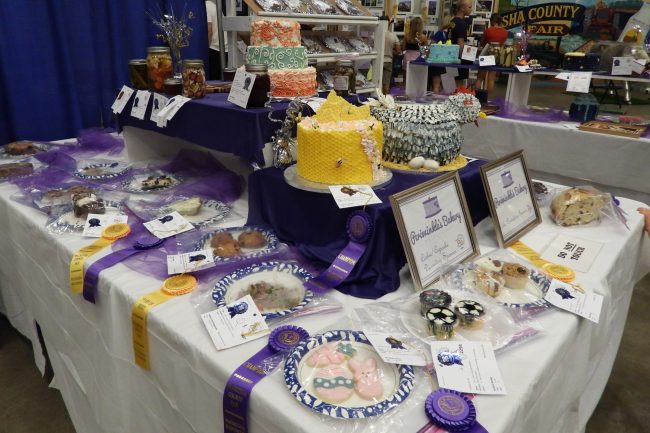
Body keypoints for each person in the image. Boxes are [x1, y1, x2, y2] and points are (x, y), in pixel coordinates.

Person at [475, 14, 508, 93]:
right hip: (497, 56)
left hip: (486, 55)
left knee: (480, 78)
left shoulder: (488, 30)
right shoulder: (505, 32)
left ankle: (475, 98)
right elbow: (502, 44)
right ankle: (488, 99)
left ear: (492, 21)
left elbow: (482, 43)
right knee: (491, 79)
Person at [450, 0, 473, 87]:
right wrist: (465, 60)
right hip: (458, 59)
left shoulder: (452, 21)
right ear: (462, 8)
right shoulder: (462, 24)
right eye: (469, 7)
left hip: (450, 57)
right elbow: (461, 44)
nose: (471, 9)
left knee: (451, 85)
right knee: (459, 86)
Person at [402, 16, 428, 84]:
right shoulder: (423, 38)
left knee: (406, 78)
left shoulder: (406, 36)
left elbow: (403, 48)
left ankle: (405, 92)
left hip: (407, 58)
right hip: (418, 59)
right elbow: (425, 53)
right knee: (417, 78)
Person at [206, 0, 227, 80]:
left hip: (214, 48)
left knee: (212, 81)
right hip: (224, 49)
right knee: (220, 81)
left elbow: (209, 31)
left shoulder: (207, 6)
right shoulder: (215, 6)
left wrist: (205, 51)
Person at [380, 15, 401, 95]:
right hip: (388, 61)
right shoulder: (393, 36)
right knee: (386, 83)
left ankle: (378, 100)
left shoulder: (375, 35)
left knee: (377, 82)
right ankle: (386, 101)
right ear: (388, 23)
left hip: (378, 61)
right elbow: (398, 51)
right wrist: (390, 51)